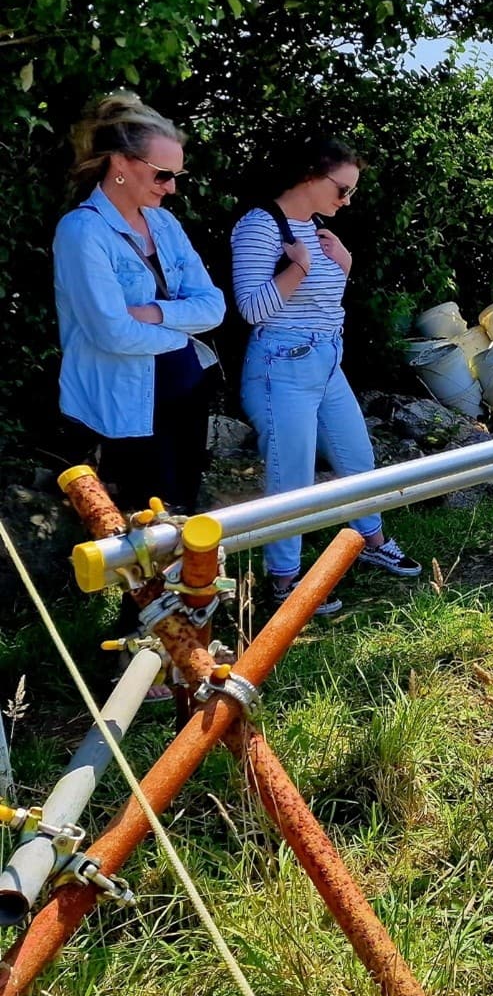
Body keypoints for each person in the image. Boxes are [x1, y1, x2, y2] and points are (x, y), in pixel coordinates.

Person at [53, 91, 226, 701]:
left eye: (176, 175)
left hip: (182, 391)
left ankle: (182, 644)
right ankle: (139, 656)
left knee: (180, 516)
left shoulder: (165, 223)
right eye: (162, 174)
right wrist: (176, 319)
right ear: (119, 166)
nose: (172, 187)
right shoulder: (82, 232)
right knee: (138, 529)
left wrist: (152, 310)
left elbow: (215, 306)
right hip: (124, 406)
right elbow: (105, 330)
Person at [232, 135, 420, 615]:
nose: (347, 200)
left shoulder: (316, 230)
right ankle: (285, 581)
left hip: (326, 364)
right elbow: (253, 309)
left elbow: (323, 303)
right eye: (342, 189)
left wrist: (345, 265)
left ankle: (370, 540)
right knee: (290, 476)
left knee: (357, 455)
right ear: (311, 177)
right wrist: (298, 269)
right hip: (281, 366)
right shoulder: (260, 227)